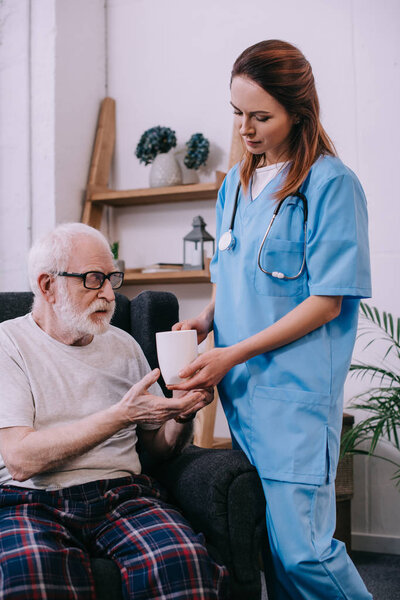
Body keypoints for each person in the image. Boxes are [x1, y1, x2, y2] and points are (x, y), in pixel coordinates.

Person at [172, 40, 372, 599]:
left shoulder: (331, 185)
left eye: (261, 117)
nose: (245, 129)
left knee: (304, 551)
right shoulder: (234, 185)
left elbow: (326, 301)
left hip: (294, 398)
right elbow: (233, 277)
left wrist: (231, 353)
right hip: (244, 395)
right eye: (238, 113)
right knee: (273, 557)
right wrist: (204, 323)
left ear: (297, 112)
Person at [0, 223, 228, 600]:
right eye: (93, 279)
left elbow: (157, 450)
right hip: (30, 498)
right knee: (32, 575)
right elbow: (21, 460)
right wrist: (121, 415)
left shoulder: (122, 344)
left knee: (183, 563)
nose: (109, 293)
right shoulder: (9, 345)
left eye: (112, 278)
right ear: (47, 286)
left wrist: (181, 417)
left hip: (122, 494)